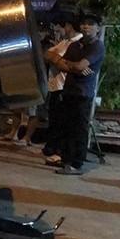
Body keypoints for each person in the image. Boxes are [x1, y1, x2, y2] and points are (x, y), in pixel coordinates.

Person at [44, 12, 105, 176]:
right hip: (68, 89)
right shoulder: (74, 45)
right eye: (84, 23)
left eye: (91, 24)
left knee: (79, 128)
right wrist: (67, 64)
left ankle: (76, 163)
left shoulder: (97, 46)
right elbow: (69, 66)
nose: (86, 26)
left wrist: (67, 64)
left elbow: (77, 66)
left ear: (98, 28)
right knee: (67, 126)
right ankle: (66, 158)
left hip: (83, 92)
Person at [43, 16, 82, 165]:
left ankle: (59, 151)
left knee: (62, 121)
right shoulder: (65, 42)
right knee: (54, 119)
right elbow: (48, 54)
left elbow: (65, 65)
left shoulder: (76, 42)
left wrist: (57, 59)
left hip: (64, 86)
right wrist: (58, 58)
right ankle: (52, 148)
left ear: (69, 26)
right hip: (55, 85)